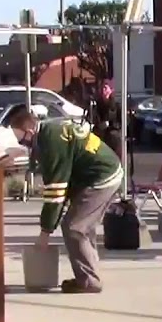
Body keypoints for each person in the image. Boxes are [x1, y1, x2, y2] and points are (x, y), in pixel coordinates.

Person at [11, 110, 123, 294]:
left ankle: (89, 281)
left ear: (30, 131)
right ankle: (89, 275)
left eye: (21, 139)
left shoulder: (52, 141)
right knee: (84, 227)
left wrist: (45, 232)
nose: (22, 144)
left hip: (101, 178)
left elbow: (56, 190)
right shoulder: (50, 130)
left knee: (74, 227)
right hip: (104, 173)